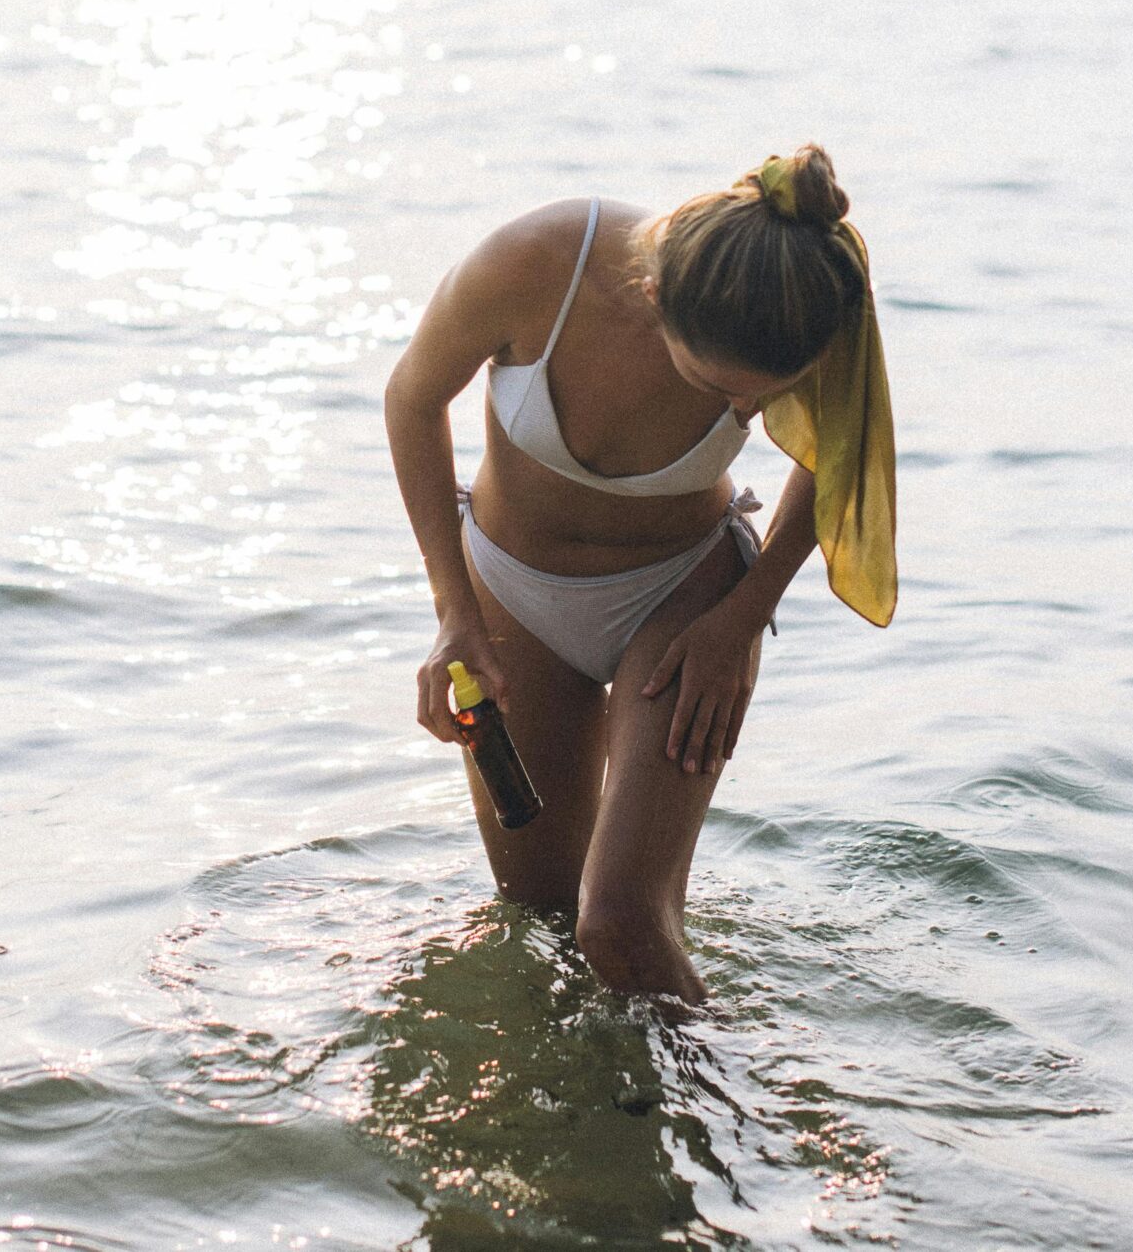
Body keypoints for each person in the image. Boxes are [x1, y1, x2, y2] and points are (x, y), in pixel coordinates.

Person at [382, 145, 896, 1003]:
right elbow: (410, 397)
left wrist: (741, 618)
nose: (745, 416)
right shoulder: (537, 263)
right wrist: (453, 611)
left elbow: (838, 460)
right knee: (542, 918)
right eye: (721, 388)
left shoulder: (805, 302)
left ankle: (724, 1116)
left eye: (767, 399)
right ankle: (596, 1122)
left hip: (684, 598)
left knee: (619, 921)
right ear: (656, 301)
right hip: (511, 596)